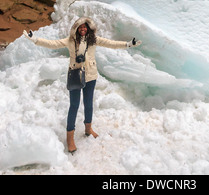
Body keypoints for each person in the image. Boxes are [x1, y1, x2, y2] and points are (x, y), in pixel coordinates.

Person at [23, 16, 141, 154]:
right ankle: (70, 137)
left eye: (85, 27)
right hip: (75, 75)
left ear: (88, 28)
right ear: (77, 29)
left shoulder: (94, 40)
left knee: (89, 103)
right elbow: (53, 44)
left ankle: (88, 128)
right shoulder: (70, 41)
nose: (83, 29)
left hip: (91, 76)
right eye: (80, 27)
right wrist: (35, 39)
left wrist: (128, 44)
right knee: (74, 105)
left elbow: (111, 43)